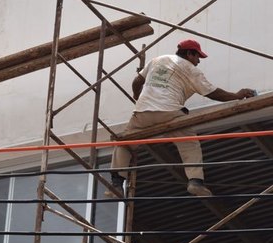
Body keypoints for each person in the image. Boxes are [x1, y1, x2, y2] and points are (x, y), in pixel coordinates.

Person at [106, 39, 256, 198]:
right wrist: (237, 95)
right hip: (170, 112)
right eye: (198, 57)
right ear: (190, 53)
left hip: (142, 113)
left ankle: (116, 186)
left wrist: (138, 97)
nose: (198, 62)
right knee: (189, 143)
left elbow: (137, 81)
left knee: (124, 143)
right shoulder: (191, 69)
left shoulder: (157, 60)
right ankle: (195, 181)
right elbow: (213, 93)